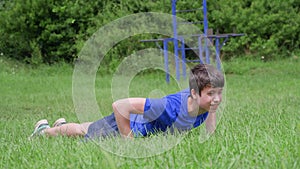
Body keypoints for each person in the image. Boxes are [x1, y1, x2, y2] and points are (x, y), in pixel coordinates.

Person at [29, 64, 224, 140]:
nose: (216, 99)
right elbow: (120, 106)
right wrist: (128, 142)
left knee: (87, 127)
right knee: (84, 132)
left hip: (138, 125)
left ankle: (60, 125)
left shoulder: (204, 103)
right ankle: (44, 131)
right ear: (194, 94)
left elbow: (211, 110)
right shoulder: (168, 108)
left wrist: (211, 137)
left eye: (219, 93)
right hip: (130, 123)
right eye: (211, 94)